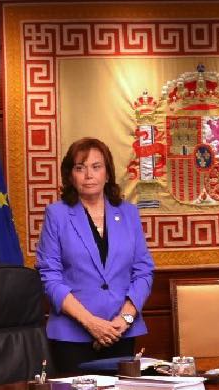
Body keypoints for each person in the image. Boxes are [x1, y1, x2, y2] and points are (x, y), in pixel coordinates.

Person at [35, 136, 154, 375]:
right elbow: (50, 277)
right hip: (72, 337)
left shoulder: (128, 213)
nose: (89, 175)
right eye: (80, 168)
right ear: (70, 175)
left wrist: (125, 319)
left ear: (107, 174)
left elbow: (143, 271)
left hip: (121, 332)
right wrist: (91, 323)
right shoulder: (57, 215)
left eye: (96, 167)